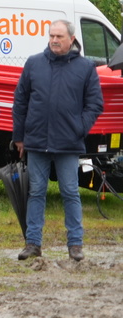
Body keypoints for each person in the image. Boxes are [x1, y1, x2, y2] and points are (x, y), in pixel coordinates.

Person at [13, 20, 103, 262]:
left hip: (68, 142)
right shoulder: (34, 63)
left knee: (70, 192)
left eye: (59, 36)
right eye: (51, 35)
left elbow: (95, 104)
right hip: (36, 141)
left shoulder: (85, 67)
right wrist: (19, 137)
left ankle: (75, 244)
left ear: (71, 39)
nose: (54, 40)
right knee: (36, 192)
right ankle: (33, 243)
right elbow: (20, 102)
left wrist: (79, 128)